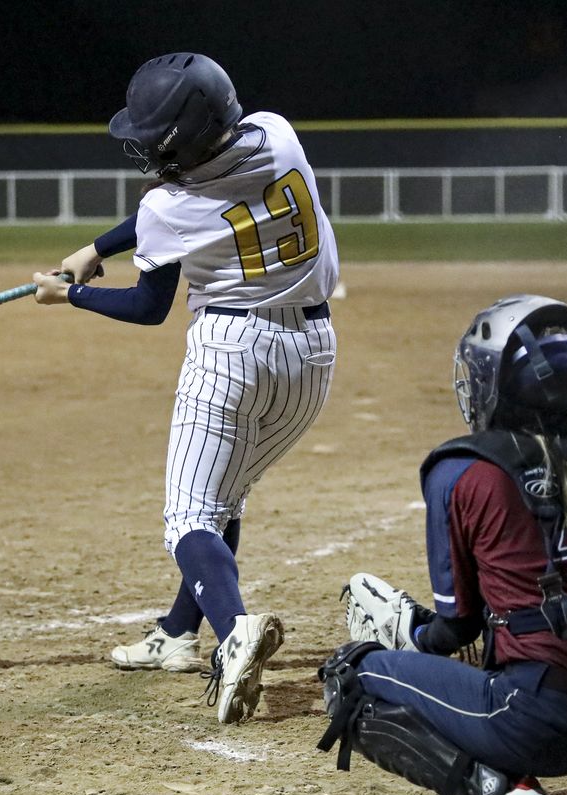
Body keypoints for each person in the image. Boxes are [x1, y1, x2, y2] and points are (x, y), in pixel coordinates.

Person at [31, 52, 340, 724]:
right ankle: (177, 635)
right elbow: (157, 219)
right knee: (225, 498)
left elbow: (148, 306)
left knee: (190, 518)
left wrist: (73, 294)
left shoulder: (168, 208)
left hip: (232, 352)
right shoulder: (276, 131)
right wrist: (99, 246)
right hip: (312, 355)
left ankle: (235, 636)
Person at [318, 295, 567, 795]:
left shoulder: (461, 470)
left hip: (543, 717)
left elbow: (459, 627)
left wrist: (411, 634)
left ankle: (510, 794)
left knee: (352, 675)